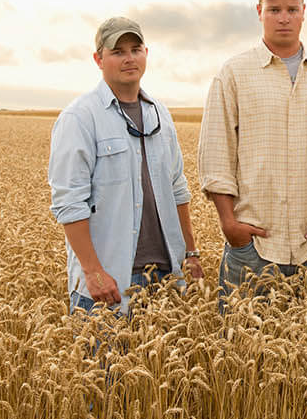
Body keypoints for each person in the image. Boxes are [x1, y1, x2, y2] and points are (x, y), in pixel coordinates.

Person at [198, 0, 307, 294]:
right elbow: (216, 153)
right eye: (274, 10)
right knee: (242, 341)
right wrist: (231, 227)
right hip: (253, 247)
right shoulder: (234, 73)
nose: (283, 18)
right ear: (259, 12)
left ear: (303, 12)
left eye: (291, 9)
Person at [48, 17, 202, 316]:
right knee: (104, 364)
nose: (129, 58)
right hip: (110, 281)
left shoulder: (160, 113)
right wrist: (93, 272)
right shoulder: (80, 118)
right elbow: (69, 204)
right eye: (118, 52)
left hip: (166, 276)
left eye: (135, 49)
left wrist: (191, 253)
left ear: (146, 53)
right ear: (99, 59)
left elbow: (177, 189)